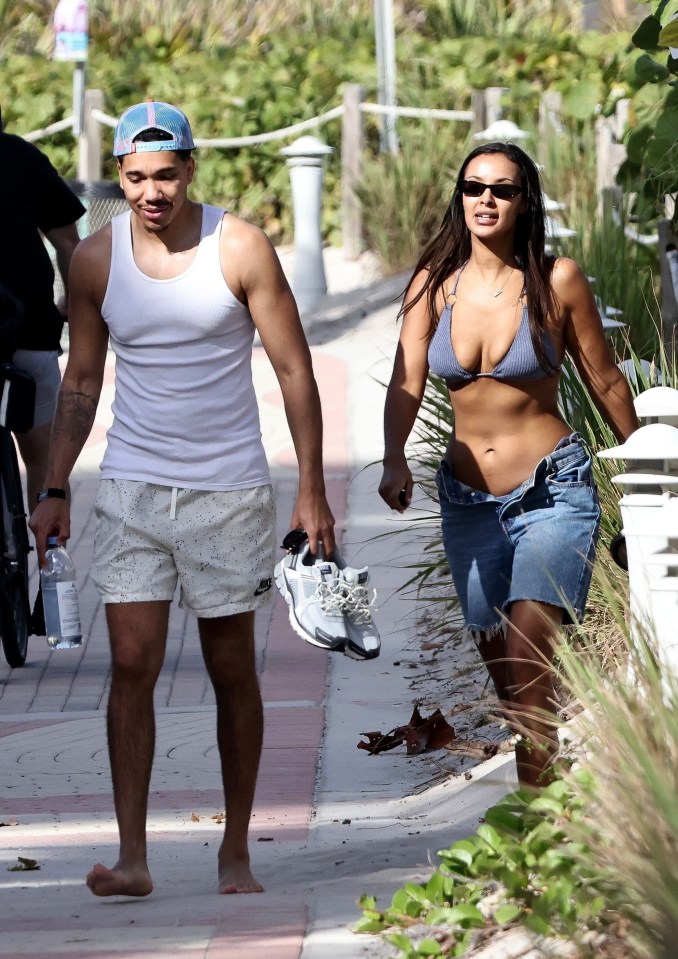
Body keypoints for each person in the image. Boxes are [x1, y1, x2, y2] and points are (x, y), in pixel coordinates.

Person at [29, 100, 335, 897]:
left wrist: (312, 491)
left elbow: (294, 370)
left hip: (229, 490)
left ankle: (236, 849)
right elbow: (82, 380)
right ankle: (133, 855)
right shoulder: (95, 260)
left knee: (231, 666)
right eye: (135, 178)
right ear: (120, 177)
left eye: (166, 175)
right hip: (130, 487)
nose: (151, 192)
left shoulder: (239, 247)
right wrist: (56, 486)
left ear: (191, 167)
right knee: (131, 662)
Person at [379, 141, 639, 789]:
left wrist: (641, 468)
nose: (485, 200)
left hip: (554, 491)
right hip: (468, 504)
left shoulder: (557, 281)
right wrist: (392, 458)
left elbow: (605, 380)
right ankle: (548, 810)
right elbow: (406, 378)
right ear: (459, 198)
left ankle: (540, 832)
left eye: (502, 189)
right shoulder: (433, 285)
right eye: (473, 188)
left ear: (526, 203)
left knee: (528, 654)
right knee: (515, 689)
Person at [0, 115, 85, 510]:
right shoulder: (21, 155)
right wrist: (72, 304)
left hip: (27, 331)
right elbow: (68, 241)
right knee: (46, 466)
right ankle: (53, 564)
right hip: (29, 328)